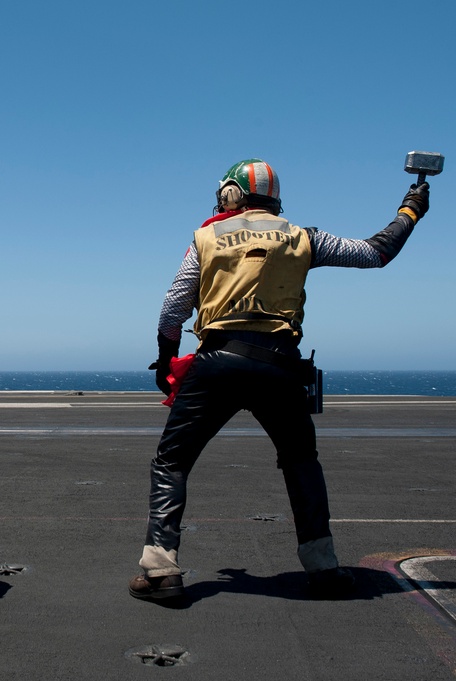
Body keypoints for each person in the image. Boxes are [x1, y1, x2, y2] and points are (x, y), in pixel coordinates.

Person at [129, 159, 429, 601]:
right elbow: (375, 253)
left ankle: (160, 572)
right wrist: (410, 210)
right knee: (301, 462)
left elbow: (174, 307)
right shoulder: (303, 237)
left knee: (172, 462)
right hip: (279, 366)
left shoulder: (205, 237)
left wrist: (166, 360)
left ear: (231, 194)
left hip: (217, 363)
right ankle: (323, 568)